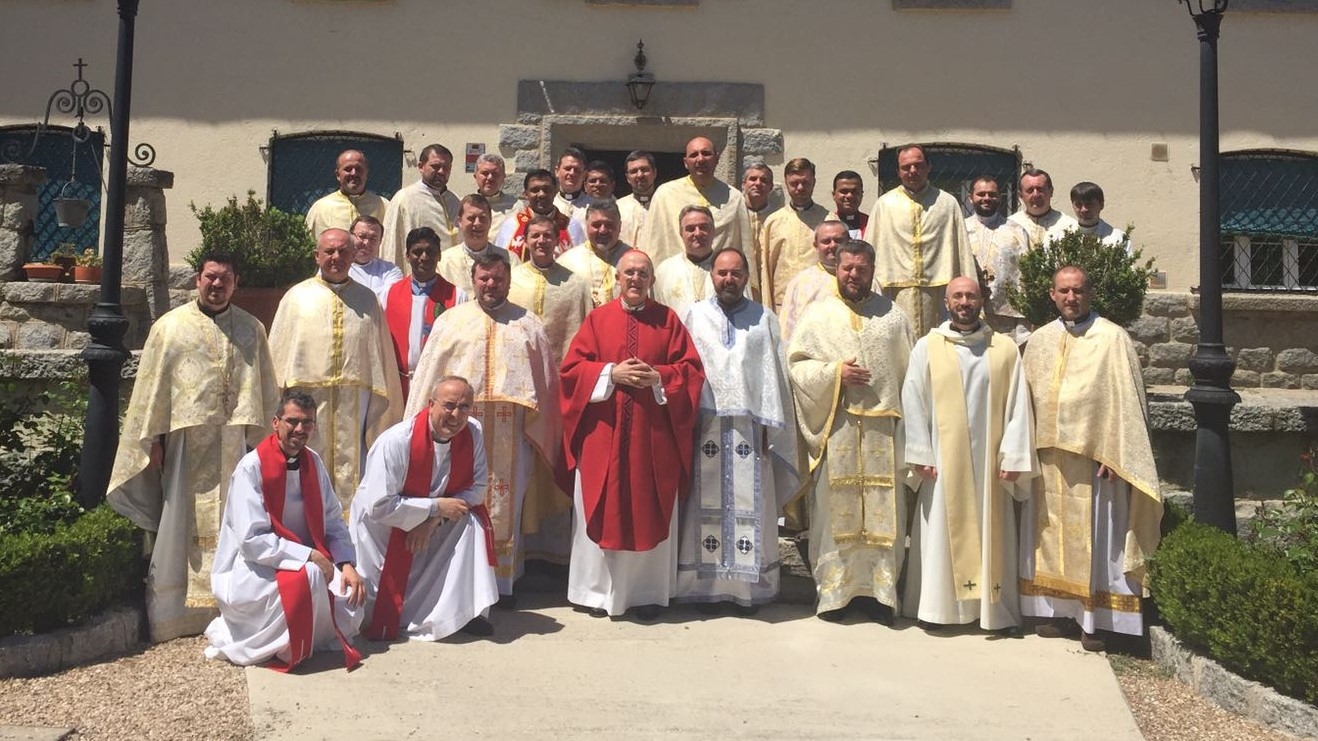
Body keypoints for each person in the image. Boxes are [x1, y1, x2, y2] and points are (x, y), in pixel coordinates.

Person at [108, 252, 280, 643]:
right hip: (186, 441)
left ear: (236, 282)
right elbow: (150, 392)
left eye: (226, 279)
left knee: (238, 519)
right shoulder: (169, 328)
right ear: (197, 280)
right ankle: (175, 615)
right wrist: (151, 440)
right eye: (211, 278)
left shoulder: (252, 329)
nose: (217, 286)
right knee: (178, 520)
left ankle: (232, 608)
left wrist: (267, 446)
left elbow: (266, 389)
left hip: (235, 442)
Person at [1019, 266, 1162, 652]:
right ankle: (1053, 612)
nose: (1071, 298)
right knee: (1046, 538)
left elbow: (1129, 405)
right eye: (1063, 291)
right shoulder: (1039, 341)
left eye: (1078, 290)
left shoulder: (1114, 339)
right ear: (1052, 295)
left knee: (1098, 543)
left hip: (1097, 461)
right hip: (1047, 458)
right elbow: (1023, 404)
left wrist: (1119, 454)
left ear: (1090, 293)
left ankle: (1094, 620)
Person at [406, 252, 561, 599]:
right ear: (473, 280)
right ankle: (461, 587)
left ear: (508, 280)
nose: (491, 285)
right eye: (484, 278)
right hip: (460, 430)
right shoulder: (452, 321)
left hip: (513, 433)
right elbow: (429, 375)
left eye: (498, 279)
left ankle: (501, 586)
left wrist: (543, 432)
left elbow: (546, 383)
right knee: (458, 502)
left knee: (508, 507)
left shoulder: (528, 324)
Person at [560, 250, 705, 620]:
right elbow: (572, 371)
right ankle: (596, 593)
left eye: (642, 273)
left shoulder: (668, 321)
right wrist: (610, 374)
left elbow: (690, 371)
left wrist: (660, 378)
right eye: (629, 273)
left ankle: (645, 595)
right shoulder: (597, 320)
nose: (635, 279)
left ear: (652, 280)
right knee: (602, 503)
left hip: (651, 440)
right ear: (617, 279)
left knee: (646, 504)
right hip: (604, 437)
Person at [901, 277, 1037, 635]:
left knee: (992, 529)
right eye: (957, 296)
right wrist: (919, 451)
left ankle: (991, 611)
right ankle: (939, 608)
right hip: (943, 465)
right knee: (942, 532)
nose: (964, 302)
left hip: (990, 468)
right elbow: (912, 398)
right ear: (946, 302)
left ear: (982, 301)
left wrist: (1013, 457)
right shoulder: (927, 347)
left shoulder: (1005, 348)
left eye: (971, 296)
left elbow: (1018, 407)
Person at [788, 239, 914, 624]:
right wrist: (834, 374)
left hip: (883, 430)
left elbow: (910, 376)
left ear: (872, 270)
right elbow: (796, 366)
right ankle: (835, 595)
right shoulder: (818, 315)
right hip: (837, 426)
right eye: (847, 268)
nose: (853, 275)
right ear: (836, 268)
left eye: (861, 268)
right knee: (834, 513)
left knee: (884, 514)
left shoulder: (894, 317)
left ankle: (880, 595)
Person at [676, 248, 801, 611]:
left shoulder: (764, 318)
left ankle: (746, 591)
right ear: (711, 275)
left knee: (749, 506)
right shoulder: (693, 315)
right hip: (706, 425)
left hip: (750, 429)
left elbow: (775, 375)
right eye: (721, 273)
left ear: (746, 277)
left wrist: (770, 425)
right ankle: (704, 588)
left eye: (735, 273)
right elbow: (685, 369)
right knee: (702, 506)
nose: (728, 279)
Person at [204, 390, 366, 671]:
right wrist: (309, 556)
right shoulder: (251, 468)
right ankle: (282, 644)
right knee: (313, 576)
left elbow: (333, 520)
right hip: (257, 566)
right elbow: (252, 541)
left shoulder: (313, 462)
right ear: (275, 422)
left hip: (306, 556)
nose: (300, 429)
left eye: (308, 423)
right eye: (293, 421)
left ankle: (309, 638)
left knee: (355, 591)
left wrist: (347, 563)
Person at [350, 376, 500, 641]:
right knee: (370, 612)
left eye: (464, 407)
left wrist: (433, 519)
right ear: (431, 404)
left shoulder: (472, 432)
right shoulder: (396, 442)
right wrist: (434, 507)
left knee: (472, 524)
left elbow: (478, 487)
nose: (456, 415)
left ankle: (462, 611)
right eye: (449, 405)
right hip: (384, 530)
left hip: (431, 522)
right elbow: (378, 506)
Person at [269, 228, 403, 512]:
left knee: (354, 476)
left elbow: (381, 358)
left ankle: (350, 539)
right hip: (308, 403)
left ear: (354, 256)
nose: (336, 257)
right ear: (317, 255)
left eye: (343, 251)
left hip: (355, 405)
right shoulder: (296, 298)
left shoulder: (368, 300)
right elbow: (278, 358)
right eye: (329, 251)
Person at [865, 144, 978, 337]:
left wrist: (970, 290)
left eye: (918, 165)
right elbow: (870, 251)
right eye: (906, 167)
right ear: (898, 171)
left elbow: (962, 251)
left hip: (938, 294)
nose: (913, 171)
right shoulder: (884, 205)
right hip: (895, 294)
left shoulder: (947, 203)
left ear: (929, 167)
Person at [641, 137, 756, 278]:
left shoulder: (734, 198)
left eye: (706, 153)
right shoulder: (665, 194)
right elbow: (652, 244)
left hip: (721, 284)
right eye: (694, 155)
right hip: (675, 280)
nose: (700, 159)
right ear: (685, 162)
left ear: (717, 158)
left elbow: (744, 247)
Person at [381, 227, 460, 400]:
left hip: (437, 387)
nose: (424, 258)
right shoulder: (388, 294)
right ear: (407, 256)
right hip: (398, 385)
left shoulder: (457, 296)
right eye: (417, 252)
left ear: (439, 256)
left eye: (430, 252)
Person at [508, 215, 594, 367]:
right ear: (526, 241)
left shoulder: (576, 284)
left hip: (560, 367)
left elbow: (587, 330)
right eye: (535, 236)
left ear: (556, 241)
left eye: (547, 236)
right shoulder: (511, 280)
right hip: (518, 363)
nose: (541, 241)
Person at [965, 176, 1032, 344]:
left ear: (1000, 198)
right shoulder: (961, 230)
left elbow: (1026, 276)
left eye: (992, 194)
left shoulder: (1016, 231)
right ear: (970, 198)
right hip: (968, 312)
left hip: (1006, 318)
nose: (986, 198)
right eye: (981, 194)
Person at [759, 157, 831, 311]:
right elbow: (765, 270)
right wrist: (767, 310)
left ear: (814, 182)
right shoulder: (773, 221)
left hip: (820, 305)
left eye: (805, 183)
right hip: (782, 305)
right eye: (794, 183)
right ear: (786, 183)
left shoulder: (829, 221)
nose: (800, 188)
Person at [382, 144, 461, 264]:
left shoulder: (456, 201)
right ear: (420, 166)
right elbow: (391, 244)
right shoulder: (404, 198)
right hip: (416, 274)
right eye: (435, 166)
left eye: (446, 167)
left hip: (450, 273)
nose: (441, 171)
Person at [778, 221, 851, 341]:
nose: (833, 245)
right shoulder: (801, 282)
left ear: (849, 241)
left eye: (838, 240)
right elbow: (786, 330)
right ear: (816, 245)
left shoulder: (863, 280)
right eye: (826, 241)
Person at [493, 169, 587, 260]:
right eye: (535, 190)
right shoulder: (512, 225)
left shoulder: (571, 226)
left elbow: (580, 263)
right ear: (526, 194)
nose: (541, 194)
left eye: (547, 189)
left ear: (555, 192)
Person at [438, 194, 520, 296]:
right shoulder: (444, 262)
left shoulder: (510, 260)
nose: (477, 223)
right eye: (471, 218)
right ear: (460, 222)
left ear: (490, 222)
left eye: (483, 218)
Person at [558, 198, 631, 307]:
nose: (603, 230)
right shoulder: (567, 263)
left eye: (609, 225)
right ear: (586, 225)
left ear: (619, 226)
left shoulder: (633, 259)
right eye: (596, 225)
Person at [305, 149, 389, 237]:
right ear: (338, 175)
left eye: (358, 169)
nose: (353, 173)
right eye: (348, 169)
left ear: (366, 173)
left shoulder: (383, 206)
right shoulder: (320, 208)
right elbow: (307, 246)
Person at [653, 204, 717, 320]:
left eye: (703, 227)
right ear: (681, 233)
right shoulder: (664, 271)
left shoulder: (728, 269)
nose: (697, 233)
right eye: (690, 229)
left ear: (713, 231)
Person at [1008, 168, 1079, 248]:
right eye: (1030, 190)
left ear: (1051, 192)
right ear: (1020, 195)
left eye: (1040, 189)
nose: (1036, 195)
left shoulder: (1069, 226)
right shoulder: (1010, 226)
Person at [347, 215, 403, 296]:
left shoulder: (391, 271)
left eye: (373, 239)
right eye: (362, 236)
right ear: (351, 237)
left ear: (380, 242)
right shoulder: (338, 266)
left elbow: (389, 298)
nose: (366, 243)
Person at [742, 162, 782, 271]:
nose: (758, 183)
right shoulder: (734, 214)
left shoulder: (778, 218)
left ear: (771, 187)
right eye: (753, 179)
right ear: (744, 184)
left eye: (764, 180)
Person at [1071, 181, 1131, 251]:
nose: (1084, 209)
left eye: (1089, 204)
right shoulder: (1061, 236)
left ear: (1101, 205)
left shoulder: (1119, 238)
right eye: (1078, 204)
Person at [617, 150, 657, 250]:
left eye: (644, 169)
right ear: (627, 178)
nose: (640, 175)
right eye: (634, 171)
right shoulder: (618, 207)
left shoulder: (665, 204)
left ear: (654, 173)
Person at [473, 153, 518, 236]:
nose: (490, 178)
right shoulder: (464, 205)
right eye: (485, 173)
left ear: (504, 177)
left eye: (495, 173)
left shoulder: (516, 207)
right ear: (475, 176)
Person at [828, 170, 868, 239]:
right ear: (834, 194)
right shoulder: (826, 224)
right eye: (844, 191)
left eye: (854, 191)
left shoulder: (871, 224)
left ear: (862, 194)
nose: (849, 196)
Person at [553, 147, 590, 217]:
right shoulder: (550, 204)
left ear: (584, 174)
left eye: (577, 170)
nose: (572, 173)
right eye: (567, 168)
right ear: (557, 171)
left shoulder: (594, 206)